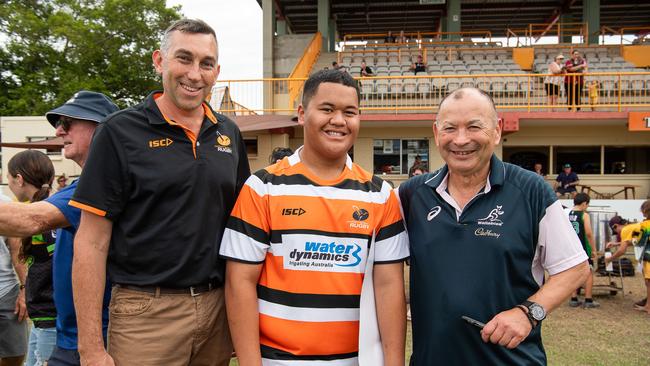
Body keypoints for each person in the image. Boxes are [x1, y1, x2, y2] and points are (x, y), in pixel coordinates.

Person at [70, 19, 250, 366]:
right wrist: (90, 348)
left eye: (206, 63)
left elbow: (241, 226)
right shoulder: (118, 132)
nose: (195, 74)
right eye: (184, 58)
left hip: (217, 309)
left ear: (217, 71)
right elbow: (90, 242)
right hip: (145, 314)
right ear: (159, 61)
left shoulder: (228, 132)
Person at [221, 69, 409, 365]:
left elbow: (388, 287)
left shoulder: (380, 194)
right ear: (301, 113)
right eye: (327, 109)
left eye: (350, 112)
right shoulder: (263, 187)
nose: (338, 120)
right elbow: (239, 283)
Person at [398, 87, 589, 365]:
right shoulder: (411, 195)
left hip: (511, 359)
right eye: (450, 128)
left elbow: (575, 267)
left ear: (497, 130)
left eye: (474, 127)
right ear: (437, 133)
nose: (461, 140)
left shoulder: (531, 190)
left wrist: (528, 313)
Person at [0, 90, 118, 366]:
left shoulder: (100, 185)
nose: (59, 130)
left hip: (90, 338)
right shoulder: (86, 183)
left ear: (102, 129)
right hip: (68, 331)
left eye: (68, 122)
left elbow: (27, 221)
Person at [6, 150, 58, 366]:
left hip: (51, 317)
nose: (7, 183)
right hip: (40, 317)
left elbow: (54, 265)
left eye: (8, 178)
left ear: (19, 179)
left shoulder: (45, 217)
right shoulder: (41, 210)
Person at [0, 199, 27, 366]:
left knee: (16, 355)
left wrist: (25, 290)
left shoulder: (6, 203)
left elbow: (18, 252)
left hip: (6, 291)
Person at [606, 211, 647, 311]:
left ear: (616, 225)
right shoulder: (634, 226)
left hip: (647, 255)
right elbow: (635, 241)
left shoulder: (625, 230)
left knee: (648, 281)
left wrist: (610, 259)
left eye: (616, 231)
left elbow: (622, 251)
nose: (618, 233)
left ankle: (648, 305)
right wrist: (616, 244)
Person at [567, 193, 599, 308]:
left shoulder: (567, 213)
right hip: (583, 248)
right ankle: (588, 299)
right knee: (589, 272)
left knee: (572, 272)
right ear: (585, 203)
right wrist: (594, 249)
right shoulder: (584, 215)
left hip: (570, 248)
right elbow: (589, 233)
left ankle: (573, 298)